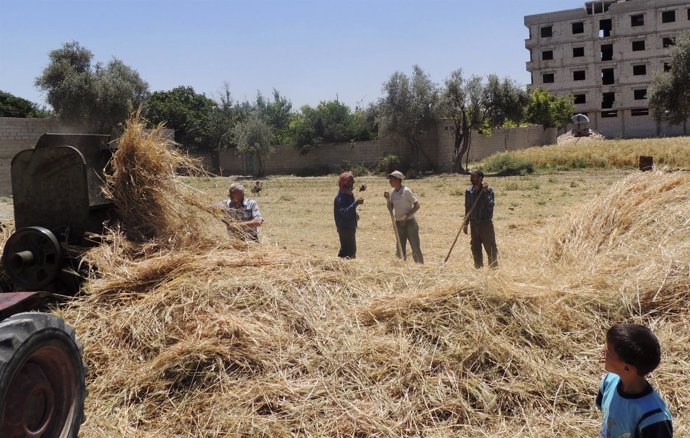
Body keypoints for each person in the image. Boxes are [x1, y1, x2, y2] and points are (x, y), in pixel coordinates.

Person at [597, 323, 673, 438]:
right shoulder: (609, 382)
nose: (602, 351)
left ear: (627, 368)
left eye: (608, 351)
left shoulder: (654, 417)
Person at [384, 170, 424, 263]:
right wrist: (387, 199)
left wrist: (406, 216)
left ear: (398, 180)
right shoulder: (392, 193)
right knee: (400, 248)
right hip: (399, 223)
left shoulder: (406, 191)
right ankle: (401, 268)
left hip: (410, 223)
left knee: (415, 247)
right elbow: (391, 209)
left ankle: (420, 267)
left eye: (391, 180)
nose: (389, 182)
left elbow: (417, 206)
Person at [463, 169, 498, 268]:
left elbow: (490, 206)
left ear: (480, 178)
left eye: (473, 177)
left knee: (490, 248)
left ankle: (494, 270)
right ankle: (478, 269)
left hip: (485, 224)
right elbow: (467, 207)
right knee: (475, 248)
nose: (471, 179)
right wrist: (466, 223)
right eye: (471, 177)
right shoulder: (468, 191)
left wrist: (485, 193)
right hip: (474, 225)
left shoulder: (488, 190)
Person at [333, 171, 364, 258]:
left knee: (345, 250)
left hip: (349, 225)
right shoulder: (341, 197)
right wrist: (356, 203)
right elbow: (344, 212)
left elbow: (349, 209)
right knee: (350, 252)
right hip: (345, 227)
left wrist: (355, 214)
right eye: (350, 180)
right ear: (344, 183)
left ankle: (339, 267)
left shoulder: (348, 194)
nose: (353, 182)